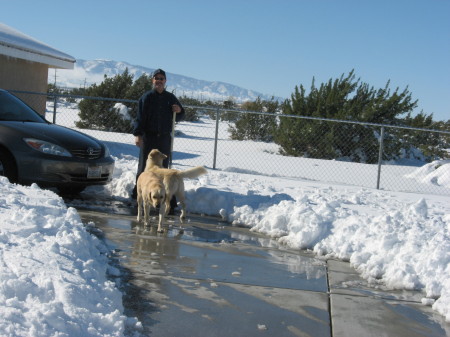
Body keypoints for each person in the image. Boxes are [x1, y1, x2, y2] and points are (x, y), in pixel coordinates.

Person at [132, 69, 185, 212]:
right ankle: (139, 199)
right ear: (152, 81)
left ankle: (167, 200)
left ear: (165, 81)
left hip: (164, 139)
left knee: (163, 170)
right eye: (156, 78)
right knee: (144, 169)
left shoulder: (170, 98)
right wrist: (138, 134)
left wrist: (178, 111)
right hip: (149, 137)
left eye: (162, 78)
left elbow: (181, 114)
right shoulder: (146, 98)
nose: (159, 81)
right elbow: (139, 118)